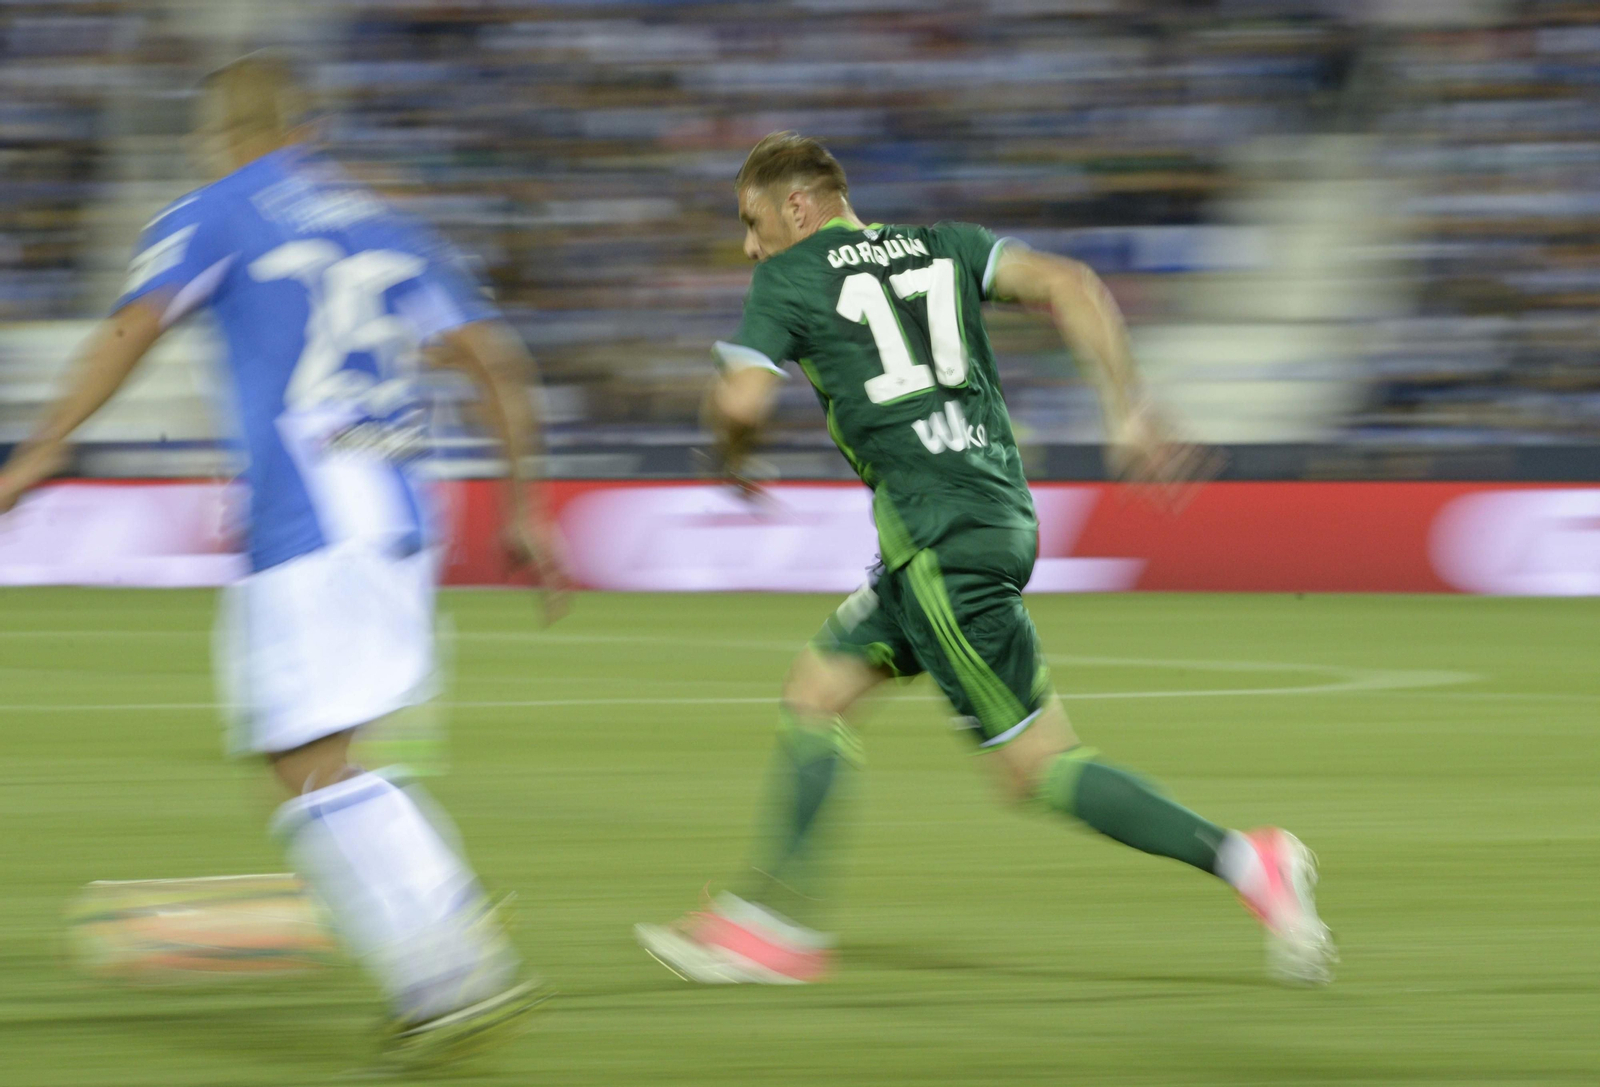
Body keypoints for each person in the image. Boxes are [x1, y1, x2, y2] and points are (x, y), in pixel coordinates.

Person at [635, 132, 1335, 988]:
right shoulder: (946, 245)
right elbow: (1070, 283)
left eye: (751, 221)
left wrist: (732, 458)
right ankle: (772, 923)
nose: (748, 245)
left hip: (938, 543)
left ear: (798, 207)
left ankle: (1245, 859)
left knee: (1037, 767)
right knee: (817, 692)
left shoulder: (788, 275)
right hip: (988, 512)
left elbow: (742, 398)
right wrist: (1129, 408)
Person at [0, 56, 571, 1067]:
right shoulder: (391, 221)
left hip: (312, 516)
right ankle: (435, 964)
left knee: (309, 772)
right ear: (303, 125)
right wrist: (525, 503)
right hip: (402, 515)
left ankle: (453, 955)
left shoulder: (216, 208)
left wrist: (45, 447)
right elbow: (493, 355)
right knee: (315, 763)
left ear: (221, 131)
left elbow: (136, 323)